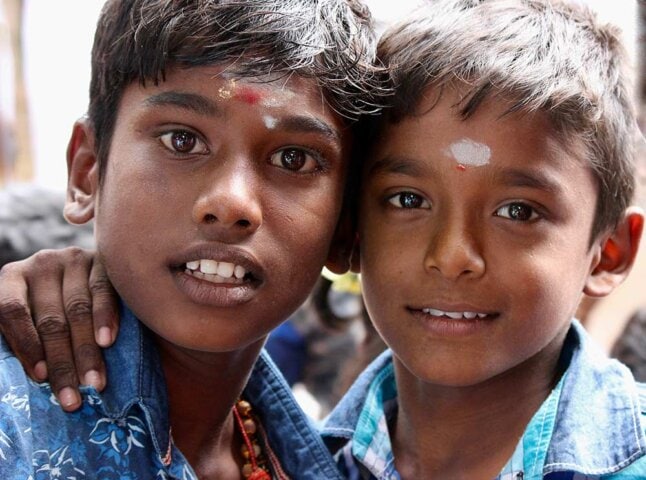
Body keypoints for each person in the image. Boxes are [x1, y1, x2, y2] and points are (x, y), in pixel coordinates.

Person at [0, 0, 386, 477]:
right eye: (181, 140)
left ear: (345, 227)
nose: (231, 204)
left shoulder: (320, 458)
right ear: (87, 173)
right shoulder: (14, 432)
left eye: (293, 159)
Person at [318, 1, 646, 478]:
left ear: (608, 254)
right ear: (350, 230)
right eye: (408, 200)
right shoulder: (292, 458)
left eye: (517, 211)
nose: (452, 257)